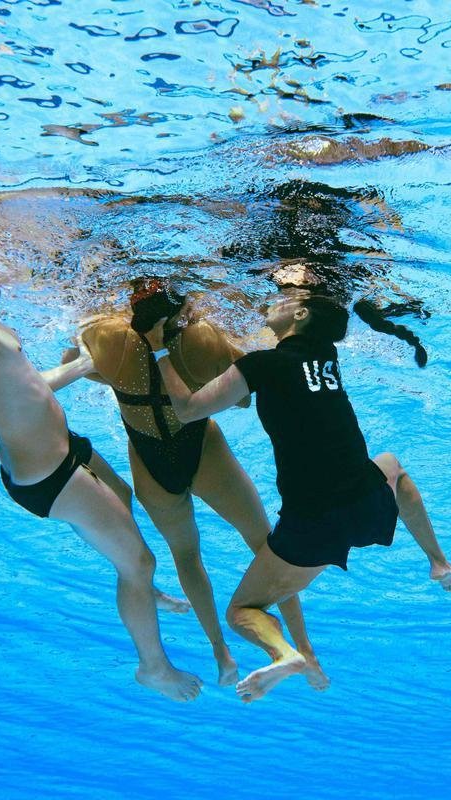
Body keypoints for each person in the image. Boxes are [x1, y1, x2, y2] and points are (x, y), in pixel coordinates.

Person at [143, 289, 451, 702]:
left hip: (312, 526)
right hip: (364, 503)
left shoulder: (263, 364)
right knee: (391, 466)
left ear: (301, 314)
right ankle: (439, 563)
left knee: (241, 612)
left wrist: (158, 349)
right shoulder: (328, 362)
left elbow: (188, 409)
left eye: (286, 298)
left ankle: (285, 654)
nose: (275, 300)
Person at [0, 250, 202, 702]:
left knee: (122, 494)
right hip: (49, 475)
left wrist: (81, 365)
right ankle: (153, 667)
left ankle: (144, 592)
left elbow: (28, 385)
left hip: (62, 449)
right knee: (138, 563)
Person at [74, 277, 328, 689]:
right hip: (202, 448)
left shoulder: (107, 338)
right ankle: (302, 648)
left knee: (186, 556)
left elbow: (79, 365)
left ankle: (221, 653)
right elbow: (243, 397)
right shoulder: (202, 339)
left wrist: (121, 379)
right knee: (265, 542)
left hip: (150, 461)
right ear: (180, 311)